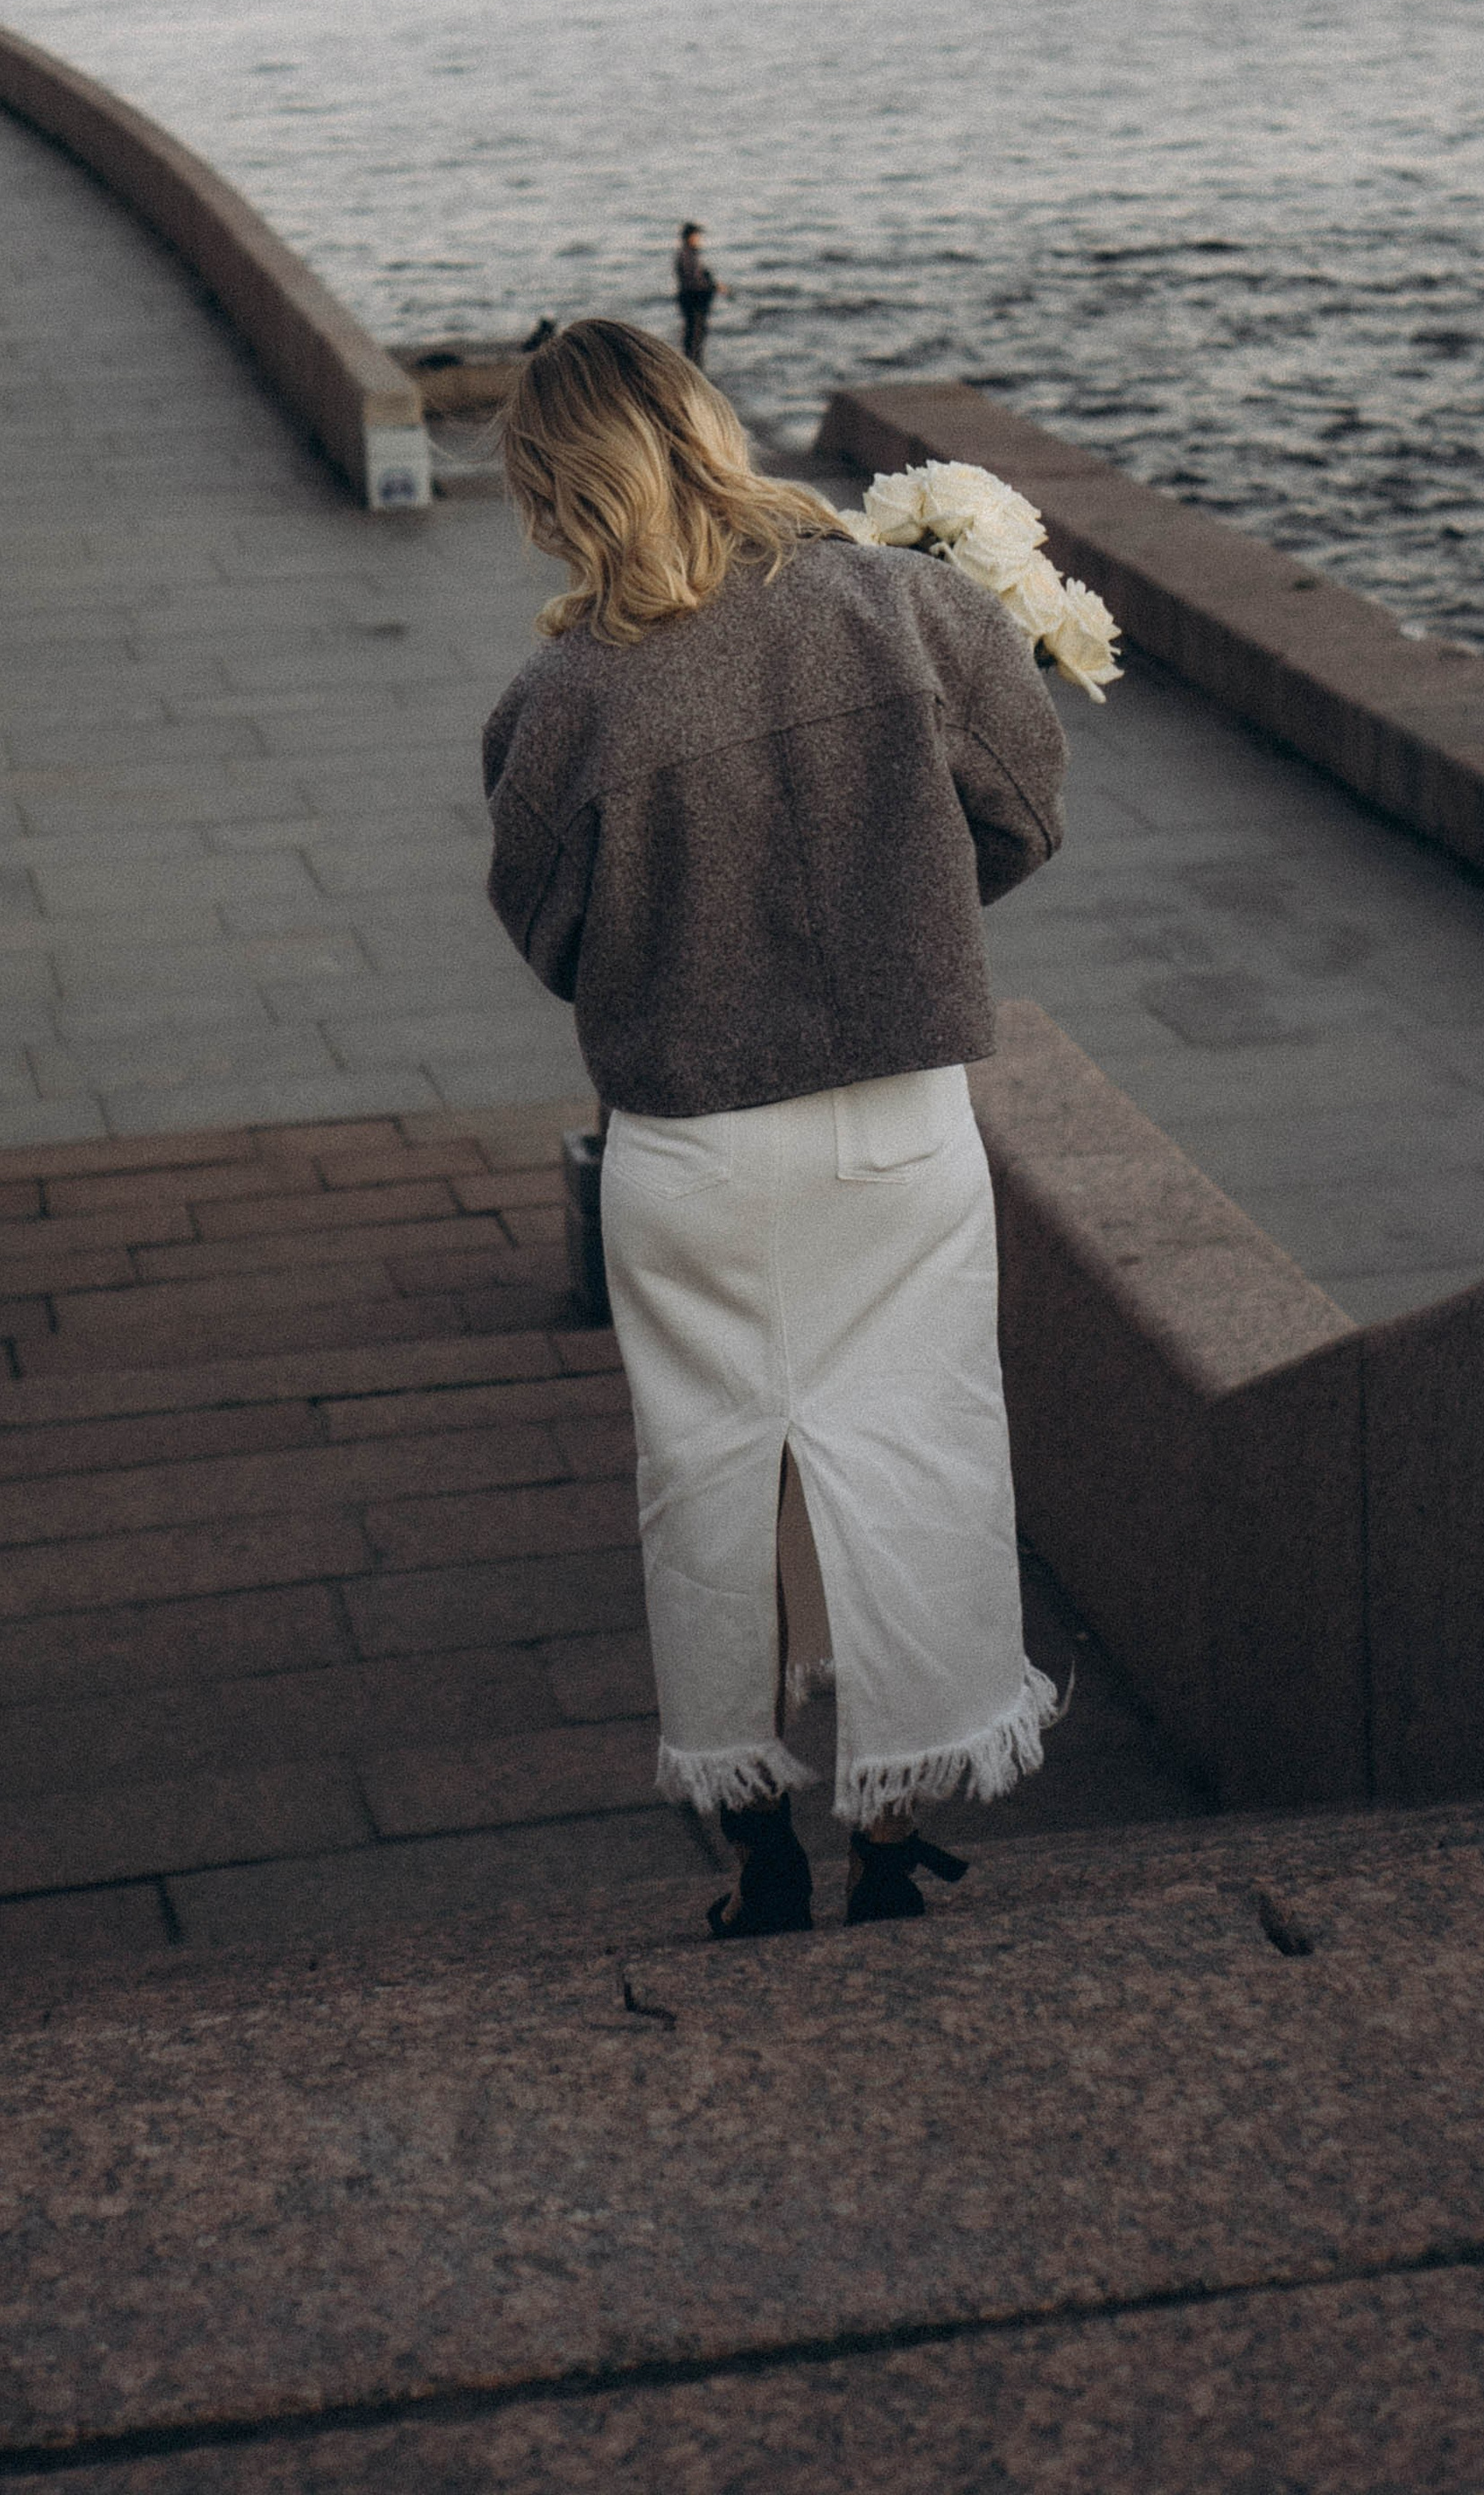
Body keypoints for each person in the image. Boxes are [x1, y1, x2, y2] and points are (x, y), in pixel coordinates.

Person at [484, 320, 1067, 1936]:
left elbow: (552, 938)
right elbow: (1023, 814)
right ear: (706, 425)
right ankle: (893, 1829)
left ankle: (757, 1847)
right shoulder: (905, 607)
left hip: (689, 1148)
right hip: (895, 1122)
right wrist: (901, 917)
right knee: (913, 1445)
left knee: (712, 1473)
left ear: (552, 489)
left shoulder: (559, 701)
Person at [674, 223, 717, 363]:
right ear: (689, 237)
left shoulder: (690, 254)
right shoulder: (686, 255)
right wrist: (713, 286)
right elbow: (693, 281)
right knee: (694, 336)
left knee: (695, 335)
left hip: (694, 298)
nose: (699, 239)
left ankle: (693, 364)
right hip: (693, 299)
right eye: (696, 236)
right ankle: (693, 366)